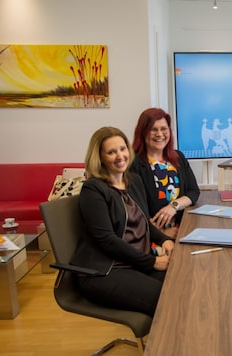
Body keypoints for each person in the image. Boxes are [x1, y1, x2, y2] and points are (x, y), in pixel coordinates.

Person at [72, 126, 174, 317]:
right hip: (106, 270)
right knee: (167, 298)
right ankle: (164, 346)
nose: (120, 156)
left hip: (135, 262)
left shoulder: (132, 181)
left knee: (182, 283)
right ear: (100, 157)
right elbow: (108, 240)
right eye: (111, 152)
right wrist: (152, 262)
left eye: (122, 149)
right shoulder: (93, 190)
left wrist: (165, 240)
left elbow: (144, 222)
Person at [130, 108, 200, 238]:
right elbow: (136, 210)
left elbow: (193, 191)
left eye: (163, 129)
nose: (159, 134)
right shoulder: (134, 164)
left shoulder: (178, 157)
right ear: (143, 132)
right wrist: (162, 234)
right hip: (152, 236)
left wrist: (173, 206)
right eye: (153, 129)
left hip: (183, 229)